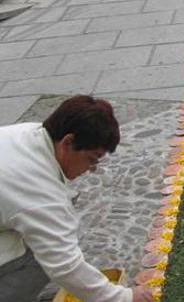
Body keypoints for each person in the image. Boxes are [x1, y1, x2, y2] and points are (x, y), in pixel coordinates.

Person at [0, 96, 155, 302]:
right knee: (43, 256)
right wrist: (124, 297)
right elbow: (64, 265)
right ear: (68, 142)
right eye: (92, 159)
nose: (91, 169)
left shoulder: (28, 133)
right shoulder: (40, 194)